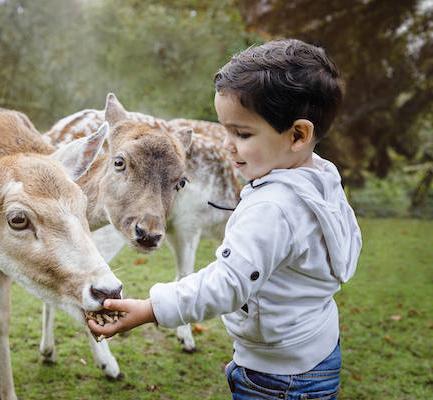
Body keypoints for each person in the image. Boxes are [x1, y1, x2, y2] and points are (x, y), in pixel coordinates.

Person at [88, 38, 362, 400]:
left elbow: (227, 285)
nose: (225, 144)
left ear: (298, 134)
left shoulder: (273, 208)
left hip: (279, 379)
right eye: (225, 129)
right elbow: (349, 248)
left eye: (241, 133)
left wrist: (151, 308)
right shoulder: (324, 179)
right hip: (317, 352)